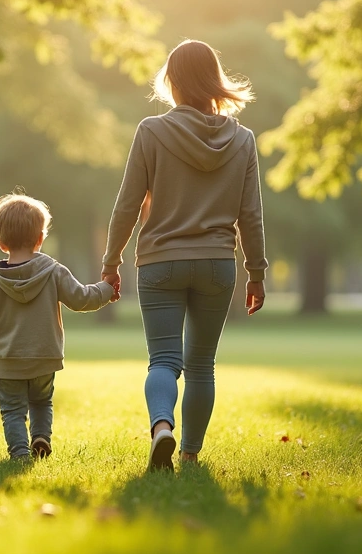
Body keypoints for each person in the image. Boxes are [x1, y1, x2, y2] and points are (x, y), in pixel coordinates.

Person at [101, 39, 268, 471]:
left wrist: (111, 260)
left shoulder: (151, 131)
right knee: (201, 366)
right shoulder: (243, 139)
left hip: (159, 261)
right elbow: (251, 214)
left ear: (172, 83)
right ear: (215, 82)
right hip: (216, 264)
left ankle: (161, 428)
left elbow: (127, 204)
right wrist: (257, 272)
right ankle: (191, 453)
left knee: (163, 360)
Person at [0, 192, 120, 460]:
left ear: (1, 242)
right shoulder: (53, 270)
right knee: (41, 401)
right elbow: (81, 298)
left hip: (8, 359)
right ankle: (40, 437)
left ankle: (19, 452)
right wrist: (106, 290)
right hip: (45, 355)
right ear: (40, 238)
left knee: (13, 410)